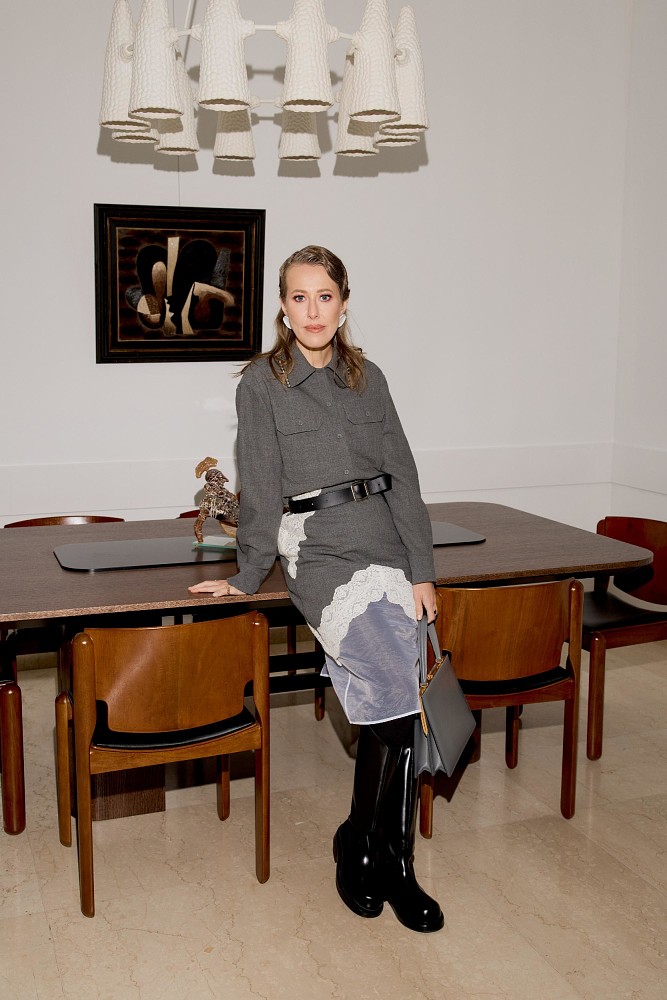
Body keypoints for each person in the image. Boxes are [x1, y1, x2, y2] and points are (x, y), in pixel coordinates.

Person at [189, 245, 444, 933]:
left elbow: (403, 476)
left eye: (324, 296)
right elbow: (261, 488)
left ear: (343, 303)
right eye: (299, 297)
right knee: (392, 693)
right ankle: (372, 849)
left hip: (386, 548)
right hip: (321, 556)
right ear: (281, 306)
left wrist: (421, 570)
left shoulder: (370, 378)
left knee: (397, 704)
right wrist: (246, 576)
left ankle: (379, 852)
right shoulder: (260, 383)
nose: (312, 310)